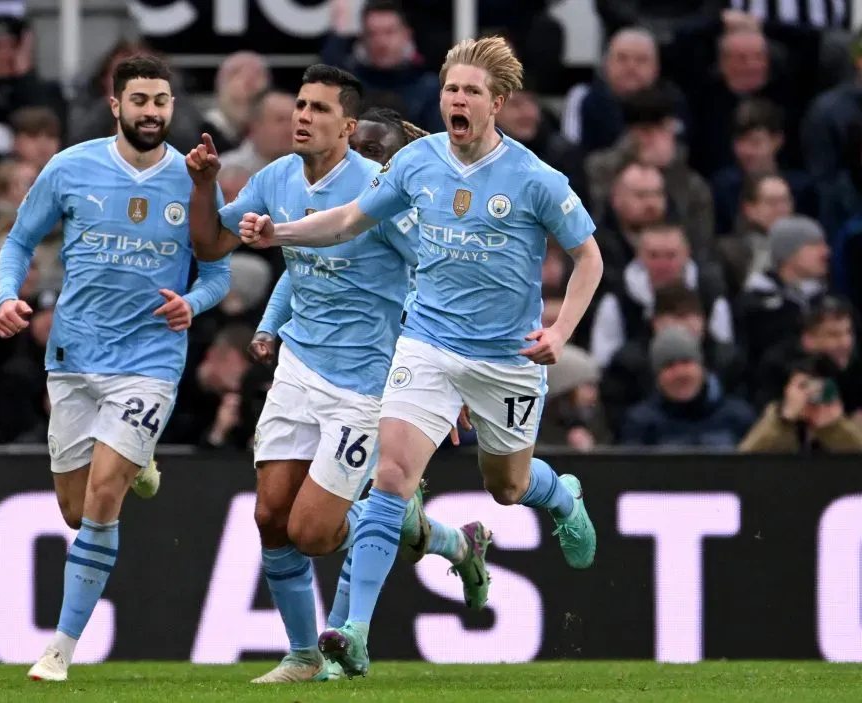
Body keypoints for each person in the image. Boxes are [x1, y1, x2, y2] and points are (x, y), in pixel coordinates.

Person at [238, 36, 602, 677]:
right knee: (391, 481)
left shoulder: (535, 179)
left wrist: (561, 331)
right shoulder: (417, 162)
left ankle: (563, 498)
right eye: (450, 90)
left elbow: (589, 259)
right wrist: (281, 233)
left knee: (507, 486)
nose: (457, 100)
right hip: (428, 346)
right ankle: (352, 632)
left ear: (499, 103)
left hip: (505, 358)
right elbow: (349, 220)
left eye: (471, 92)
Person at [185, 67, 492, 683]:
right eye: (299, 105)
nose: (303, 116)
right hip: (298, 371)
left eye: (319, 109)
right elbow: (211, 244)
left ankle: (441, 540)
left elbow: (437, 275)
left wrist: (451, 375)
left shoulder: (379, 192)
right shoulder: (275, 178)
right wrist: (206, 184)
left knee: (314, 532)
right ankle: (303, 657)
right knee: (270, 518)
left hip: (363, 386)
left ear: (347, 127)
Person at [0, 55, 231, 682]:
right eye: (141, 100)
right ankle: (139, 460)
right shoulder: (71, 167)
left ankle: (60, 650)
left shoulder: (194, 177)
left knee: (102, 498)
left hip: (149, 361)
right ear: (116, 102)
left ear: (172, 107)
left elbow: (219, 268)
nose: (152, 112)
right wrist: (6, 297)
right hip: (73, 357)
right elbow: (18, 240)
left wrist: (194, 302)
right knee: (74, 511)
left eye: (162, 101)